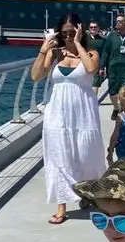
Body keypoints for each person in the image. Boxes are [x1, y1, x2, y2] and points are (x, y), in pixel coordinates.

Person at [31, 12, 108, 225]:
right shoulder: (55, 54)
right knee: (59, 156)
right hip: (57, 113)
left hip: (84, 114)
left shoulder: (91, 52)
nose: (67, 36)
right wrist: (44, 50)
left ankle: (88, 193)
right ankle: (61, 206)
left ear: (80, 30)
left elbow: (92, 69)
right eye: (63, 32)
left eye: (71, 32)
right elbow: (36, 76)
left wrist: (77, 43)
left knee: (87, 155)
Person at [98, 14, 125, 121]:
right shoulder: (111, 36)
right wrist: (102, 66)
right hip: (113, 68)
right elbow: (105, 52)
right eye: (117, 21)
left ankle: (124, 111)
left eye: (120, 21)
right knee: (113, 92)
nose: (117, 23)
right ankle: (116, 107)